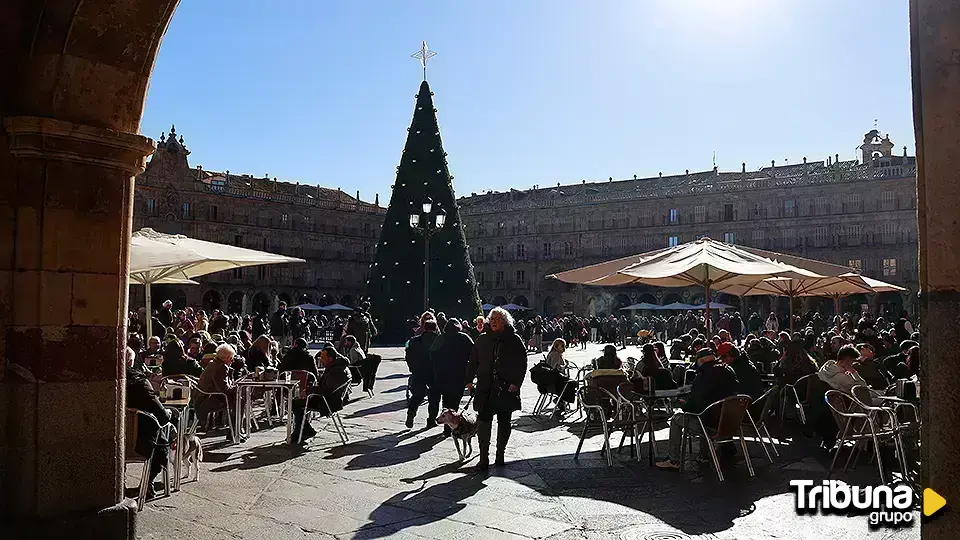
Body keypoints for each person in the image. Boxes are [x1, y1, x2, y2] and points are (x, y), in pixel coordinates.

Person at [655, 348, 740, 471]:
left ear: (701, 361)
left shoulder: (703, 376)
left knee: (677, 419)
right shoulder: (729, 370)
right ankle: (703, 456)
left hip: (711, 425)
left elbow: (695, 406)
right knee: (706, 413)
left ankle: (673, 460)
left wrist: (683, 404)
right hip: (732, 422)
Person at [466, 307, 526, 469]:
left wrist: (516, 382)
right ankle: (484, 457)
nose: (493, 322)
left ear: (505, 322)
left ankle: (500, 455)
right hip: (485, 387)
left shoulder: (514, 340)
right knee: (484, 421)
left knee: (504, 422)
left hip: (506, 387)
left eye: (498, 319)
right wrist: (469, 380)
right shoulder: (482, 339)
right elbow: (473, 361)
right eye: (492, 319)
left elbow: (521, 363)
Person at [125, 361, 173, 498]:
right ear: (130, 362)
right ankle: (148, 483)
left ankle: (121, 484)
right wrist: (168, 414)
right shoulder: (141, 384)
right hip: (142, 442)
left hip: (115, 441)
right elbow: (162, 415)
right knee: (163, 437)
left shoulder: (108, 383)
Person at [290, 345, 352, 444]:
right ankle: (303, 430)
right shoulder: (337, 367)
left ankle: (302, 432)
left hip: (328, 402)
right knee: (298, 402)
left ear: (330, 358)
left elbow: (326, 390)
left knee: (295, 403)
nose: (321, 360)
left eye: (323, 358)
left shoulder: (336, 371)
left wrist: (310, 390)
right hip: (330, 399)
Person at [430, 319, 475, 436]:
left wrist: (438, 368)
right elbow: (474, 353)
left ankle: (447, 426)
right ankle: (451, 426)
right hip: (460, 374)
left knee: (446, 401)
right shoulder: (464, 338)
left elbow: (432, 354)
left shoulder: (441, 338)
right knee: (455, 401)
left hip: (443, 375)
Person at [193, 343, 239, 441]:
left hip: (202, 398)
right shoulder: (221, 367)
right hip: (207, 401)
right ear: (225, 357)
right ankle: (235, 431)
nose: (232, 360)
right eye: (231, 358)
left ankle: (235, 430)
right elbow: (224, 390)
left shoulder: (213, 363)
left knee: (237, 399)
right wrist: (238, 388)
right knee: (240, 400)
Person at [405, 319, 440, 429]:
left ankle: (411, 413)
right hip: (434, 372)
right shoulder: (439, 340)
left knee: (417, 395)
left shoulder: (414, 341)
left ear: (424, 328)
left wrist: (412, 368)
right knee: (434, 397)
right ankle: (431, 420)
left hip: (418, 371)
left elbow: (408, 356)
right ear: (435, 328)